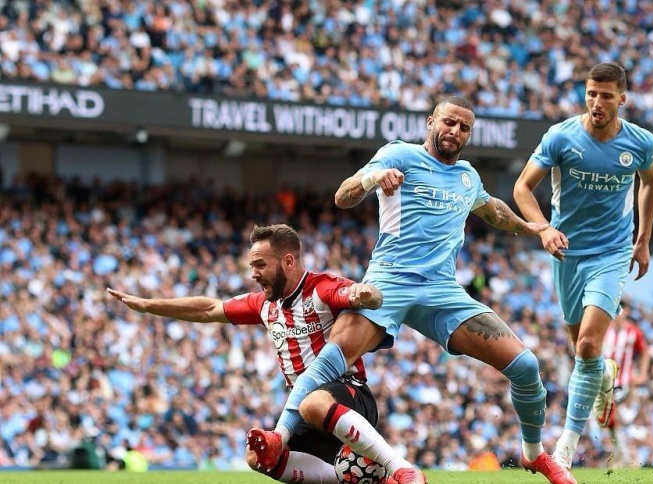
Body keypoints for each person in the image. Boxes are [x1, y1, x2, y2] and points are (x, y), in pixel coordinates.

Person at [253, 96, 577, 484]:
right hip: (389, 282)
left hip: (442, 290)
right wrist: (374, 179)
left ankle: (534, 455)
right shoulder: (399, 155)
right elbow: (343, 196)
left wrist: (535, 229)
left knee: (525, 366)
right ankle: (280, 435)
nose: (455, 131)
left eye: (463, 127)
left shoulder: (468, 178)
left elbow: (494, 211)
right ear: (430, 122)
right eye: (449, 122)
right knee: (332, 358)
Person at [107, 223, 400, 484]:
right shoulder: (263, 304)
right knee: (259, 457)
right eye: (251, 266)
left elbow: (363, 294)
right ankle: (347, 480)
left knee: (313, 403)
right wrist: (149, 306)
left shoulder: (322, 289)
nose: (253, 274)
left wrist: (365, 296)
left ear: (287, 261)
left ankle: (400, 470)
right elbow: (208, 308)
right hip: (307, 411)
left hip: (350, 396)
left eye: (260, 265)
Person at [512, 62, 653, 470]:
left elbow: (650, 181)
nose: (597, 102)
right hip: (567, 253)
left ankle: (565, 446)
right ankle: (602, 377)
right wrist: (542, 229)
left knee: (588, 345)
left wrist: (643, 238)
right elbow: (523, 187)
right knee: (583, 352)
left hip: (612, 254)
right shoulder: (561, 136)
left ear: (622, 99)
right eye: (591, 93)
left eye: (606, 95)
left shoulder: (640, 142)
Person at [600, 301, 650, 467]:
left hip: (622, 382)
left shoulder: (633, 332)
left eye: (622, 311)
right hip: (603, 381)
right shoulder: (604, 328)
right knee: (609, 421)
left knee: (612, 414)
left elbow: (644, 352)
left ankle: (624, 455)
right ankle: (624, 454)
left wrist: (642, 374)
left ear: (627, 312)